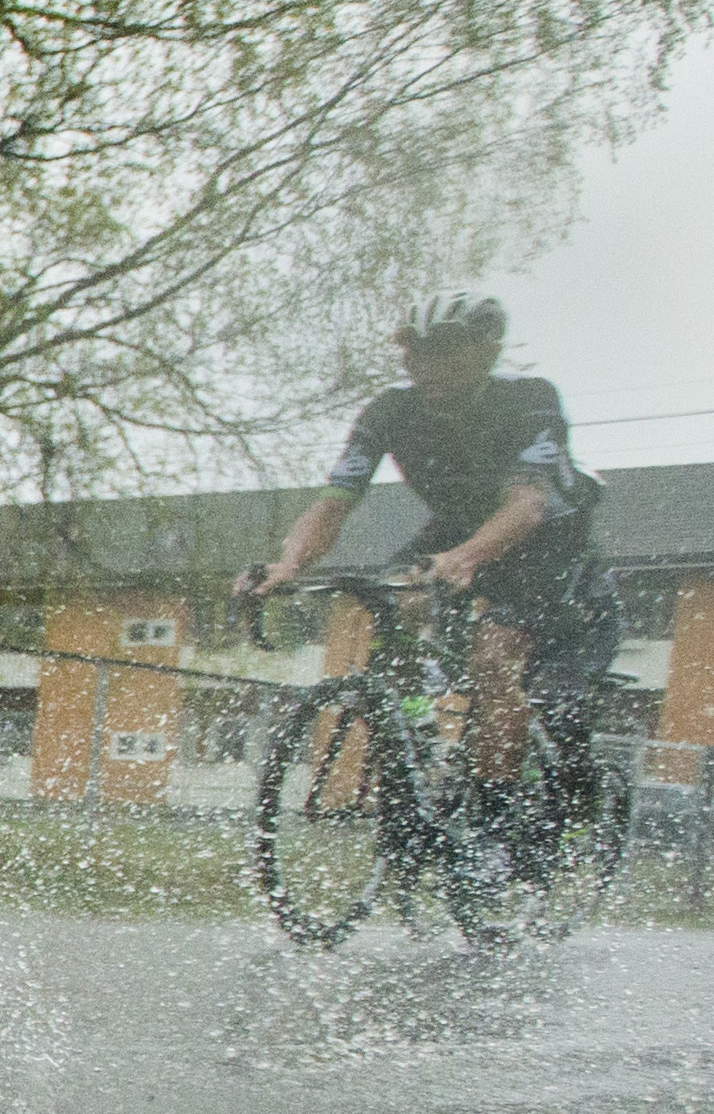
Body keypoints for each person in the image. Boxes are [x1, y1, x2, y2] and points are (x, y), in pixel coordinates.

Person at [243, 291, 617, 837]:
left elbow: (528, 504)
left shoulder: (530, 398)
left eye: (444, 351)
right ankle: (416, 745)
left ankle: (490, 828)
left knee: (494, 656)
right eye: (414, 352)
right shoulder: (390, 410)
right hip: (457, 528)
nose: (426, 366)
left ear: (486, 352)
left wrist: (466, 557)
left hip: (546, 539)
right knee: (394, 604)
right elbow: (334, 501)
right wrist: (288, 564)